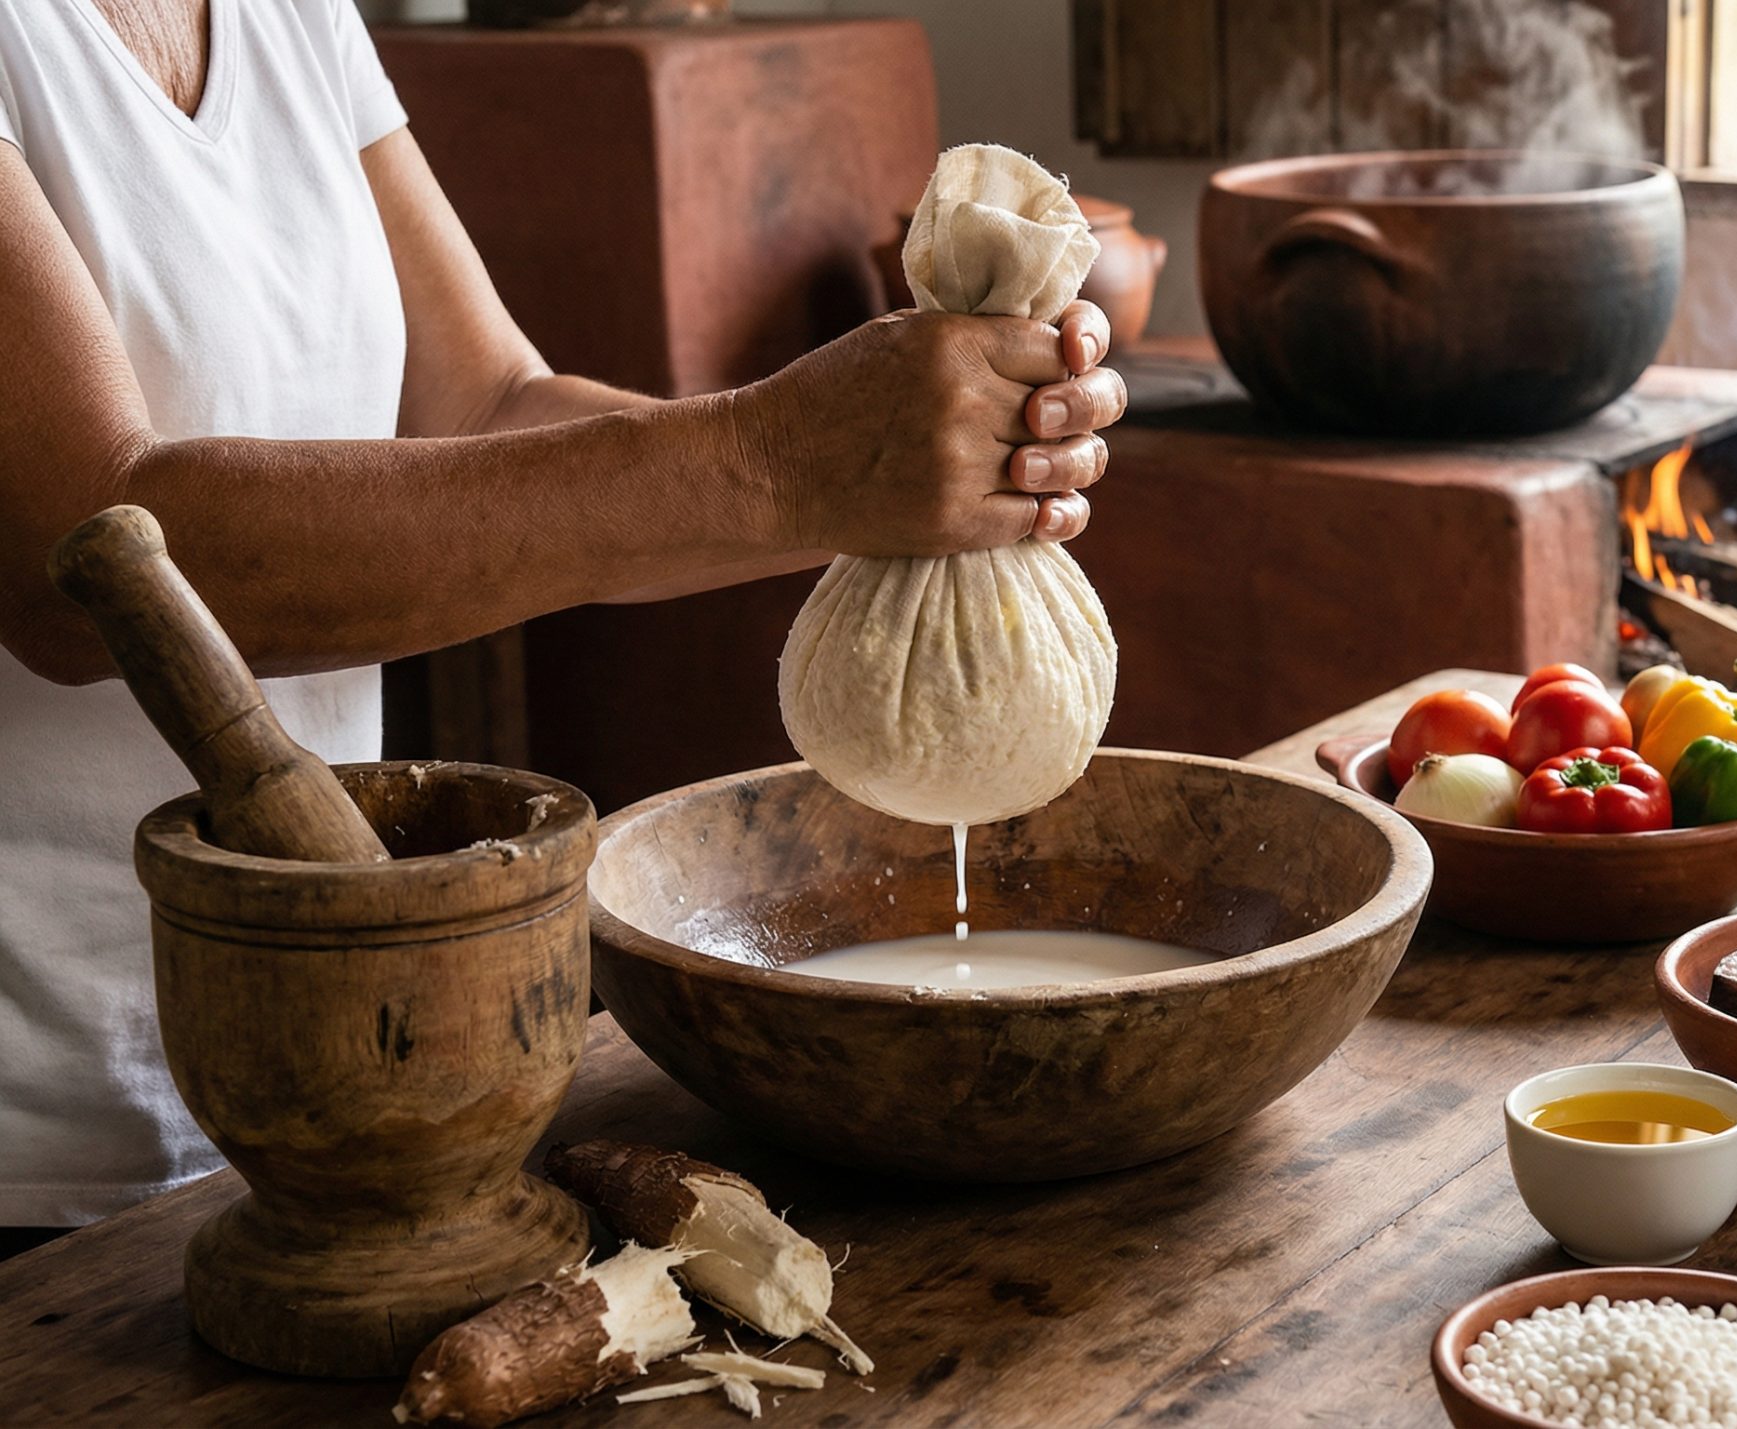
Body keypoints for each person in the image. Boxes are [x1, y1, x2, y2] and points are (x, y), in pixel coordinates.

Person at [0, 0, 1127, 1242]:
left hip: (320, 1098)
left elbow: (486, 406)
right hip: (42, 1151)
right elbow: (77, 547)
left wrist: (907, 471)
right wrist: (778, 459)